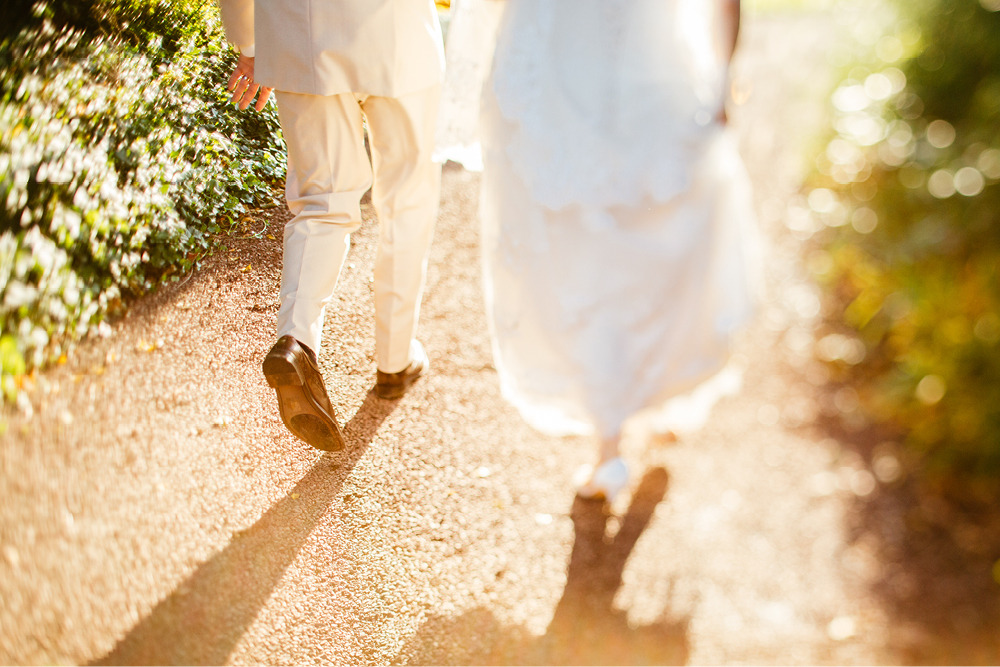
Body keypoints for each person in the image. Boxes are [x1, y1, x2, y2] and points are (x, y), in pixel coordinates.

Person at [475, 0, 758, 501]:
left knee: (582, 256)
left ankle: (611, 442)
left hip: (560, 85)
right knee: (650, 244)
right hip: (649, 78)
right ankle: (647, 397)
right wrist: (722, 80)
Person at [217, 0, 446, 451]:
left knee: (321, 202)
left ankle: (296, 341)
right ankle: (395, 360)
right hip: (397, 32)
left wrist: (250, 43)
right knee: (407, 200)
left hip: (299, 36)